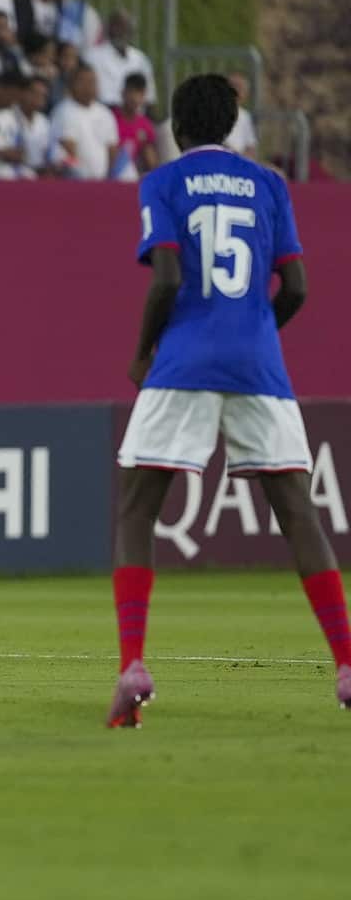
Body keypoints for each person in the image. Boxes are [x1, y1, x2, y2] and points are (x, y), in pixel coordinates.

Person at [110, 73, 351, 727]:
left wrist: (142, 351)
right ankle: (347, 664)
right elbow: (296, 286)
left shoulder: (163, 181)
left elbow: (165, 276)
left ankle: (133, 663)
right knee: (299, 511)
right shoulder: (270, 183)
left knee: (137, 506)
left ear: (176, 128)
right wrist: (254, 330)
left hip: (184, 358)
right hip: (259, 364)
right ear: (232, 123)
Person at [51, 63, 119, 180]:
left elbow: (112, 149)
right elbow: (68, 149)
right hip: (75, 181)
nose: (89, 86)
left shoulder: (105, 113)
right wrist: (83, 179)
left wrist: (107, 178)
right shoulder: (63, 111)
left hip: (102, 181)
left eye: (93, 81)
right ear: (72, 85)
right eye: (84, 81)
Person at [84, 9, 156, 109]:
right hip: (103, 116)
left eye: (125, 27)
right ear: (108, 29)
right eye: (116, 26)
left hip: (135, 117)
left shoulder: (141, 59)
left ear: (132, 31)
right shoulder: (92, 56)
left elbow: (149, 100)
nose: (120, 31)